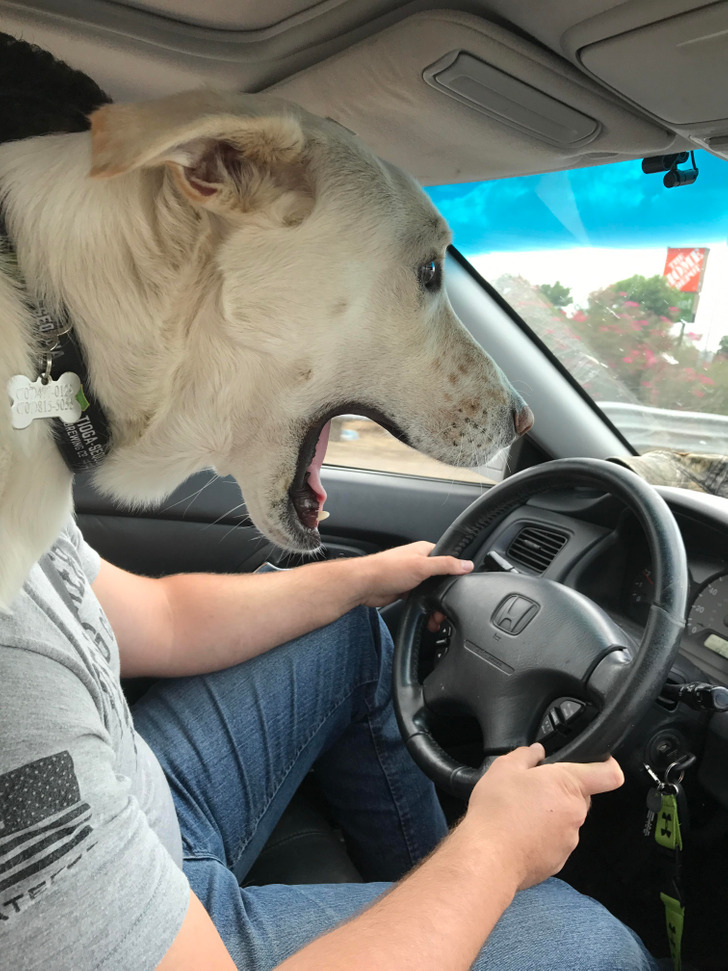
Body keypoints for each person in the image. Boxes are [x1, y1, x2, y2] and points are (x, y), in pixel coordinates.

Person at [0, 516, 662, 970]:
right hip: (157, 920)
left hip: (129, 796)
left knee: (346, 628)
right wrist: (496, 852)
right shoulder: (15, 692)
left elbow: (157, 616)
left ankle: (421, 906)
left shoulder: (15, 491)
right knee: (595, 942)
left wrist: (357, 578)